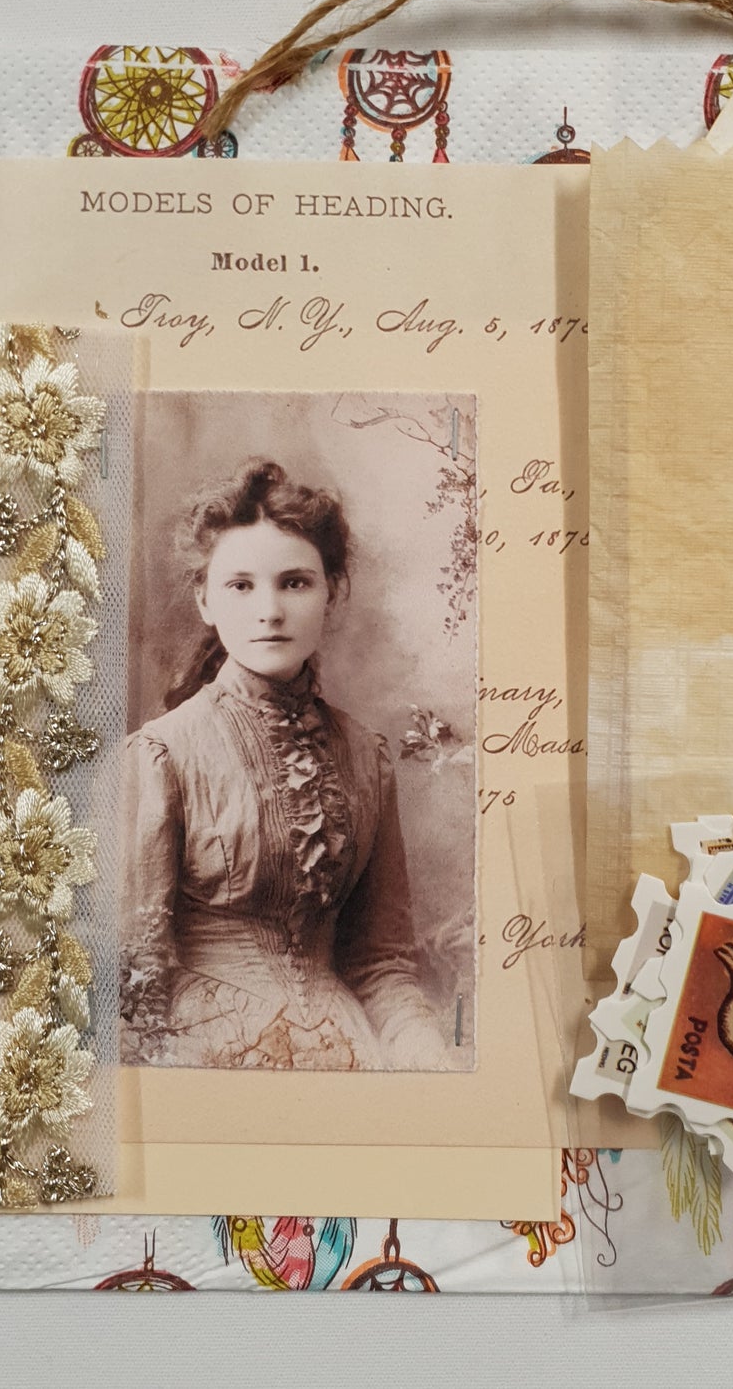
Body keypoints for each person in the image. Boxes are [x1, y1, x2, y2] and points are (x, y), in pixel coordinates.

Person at [120, 458, 448, 1071]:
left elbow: (380, 964)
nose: (269, 611)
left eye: (295, 583)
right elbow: (136, 981)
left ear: (331, 593)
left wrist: (427, 1058)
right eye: (240, 586)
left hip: (351, 1060)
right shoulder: (162, 754)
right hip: (203, 1065)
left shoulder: (366, 758)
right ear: (205, 600)